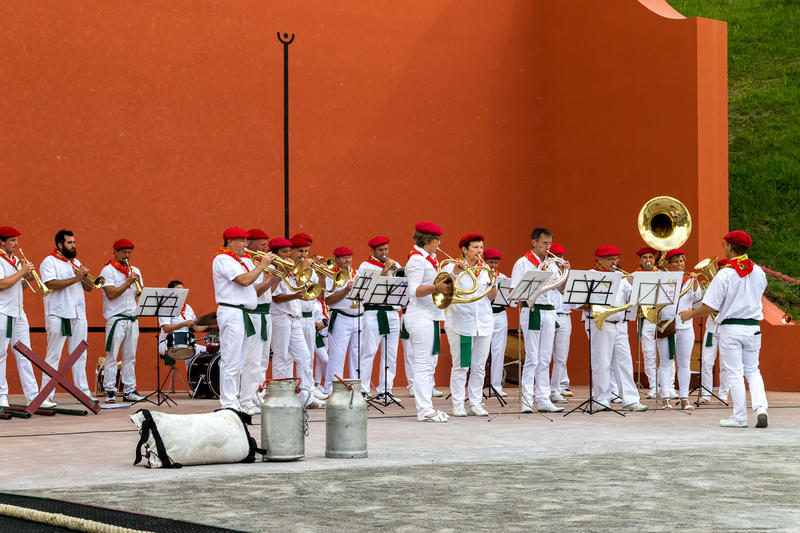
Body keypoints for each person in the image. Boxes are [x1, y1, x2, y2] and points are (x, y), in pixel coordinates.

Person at [680, 231, 768, 428]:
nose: (723, 247)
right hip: (753, 327)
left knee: (734, 372)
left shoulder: (726, 274)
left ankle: (739, 417)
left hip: (731, 328)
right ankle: (761, 408)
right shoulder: (759, 272)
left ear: (730, 246)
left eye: (724, 244)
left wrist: (690, 314)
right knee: (753, 370)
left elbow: (710, 306)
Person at [212, 227, 274, 413]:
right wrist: (262, 265)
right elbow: (244, 281)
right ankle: (228, 402)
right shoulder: (223, 258)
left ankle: (238, 399)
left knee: (241, 361)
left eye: (246, 241)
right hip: (231, 312)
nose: (245, 245)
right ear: (229, 242)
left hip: (245, 313)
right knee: (231, 360)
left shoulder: (242, 261)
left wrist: (271, 278)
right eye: (241, 241)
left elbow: (252, 290)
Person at [585, 245, 647, 412]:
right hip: (600, 324)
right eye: (610, 259)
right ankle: (602, 399)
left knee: (624, 362)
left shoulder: (621, 276)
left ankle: (631, 399)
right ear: (599, 260)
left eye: (616, 259)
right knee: (602, 363)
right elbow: (579, 303)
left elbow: (631, 297)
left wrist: (638, 291)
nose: (614, 262)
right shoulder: (591, 275)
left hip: (620, 324)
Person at [510, 227, 564, 413]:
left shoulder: (551, 263)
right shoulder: (522, 263)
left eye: (549, 244)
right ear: (534, 242)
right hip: (532, 310)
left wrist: (565, 271)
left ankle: (543, 399)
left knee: (545, 358)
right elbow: (515, 293)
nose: (547, 248)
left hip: (550, 312)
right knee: (532, 358)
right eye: (544, 244)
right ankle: (526, 399)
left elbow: (561, 289)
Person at [40, 229, 96, 404]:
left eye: (74, 242)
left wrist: (85, 277)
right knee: (53, 356)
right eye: (70, 243)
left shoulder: (76, 262)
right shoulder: (49, 262)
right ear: (59, 244)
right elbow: (50, 284)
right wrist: (75, 278)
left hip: (78, 314)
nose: (73, 245)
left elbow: (89, 288)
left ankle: (83, 393)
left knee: (80, 355)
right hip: (58, 313)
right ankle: (45, 396)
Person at [442, 234, 496, 417]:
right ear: (464, 249)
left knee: (480, 366)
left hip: (484, 322)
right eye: (475, 247)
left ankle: (475, 402)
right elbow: (443, 289)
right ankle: (458, 404)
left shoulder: (486, 268)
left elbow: (492, 297)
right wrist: (456, 272)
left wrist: (494, 281)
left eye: (481, 247)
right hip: (461, 323)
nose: (480, 251)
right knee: (461, 365)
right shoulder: (451, 266)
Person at [404, 222, 451, 422]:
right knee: (422, 365)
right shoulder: (416, 260)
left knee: (429, 365)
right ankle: (424, 410)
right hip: (420, 315)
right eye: (437, 240)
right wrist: (436, 288)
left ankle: (427, 407)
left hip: (430, 316)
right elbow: (413, 290)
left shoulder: (429, 259)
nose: (439, 244)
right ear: (428, 241)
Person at [269, 237, 322, 408]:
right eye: (284, 252)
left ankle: (305, 395)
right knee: (281, 357)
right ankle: (280, 396)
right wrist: (296, 295)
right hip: (280, 317)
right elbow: (276, 297)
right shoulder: (272, 268)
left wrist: (300, 274)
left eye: (288, 251)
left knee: (304, 356)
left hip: (295, 317)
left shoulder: (290, 268)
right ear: (275, 253)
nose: (288, 254)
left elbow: (300, 286)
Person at [0, 226, 41, 408]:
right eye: (12, 240)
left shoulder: (15, 260)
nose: (17, 244)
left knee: (26, 354)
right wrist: (21, 273)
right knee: (1, 355)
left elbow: (19, 286)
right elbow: (2, 284)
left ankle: (33, 396)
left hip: (19, 312)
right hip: (3, 311)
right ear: (2, 242)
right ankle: (1, 396)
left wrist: (28, 278)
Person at [358, 236, 403, 403]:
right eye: (381, 250)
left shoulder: (395, 265)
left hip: (392, 312)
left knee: (391, 354)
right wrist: (384, 270)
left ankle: (385, 390)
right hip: (373, 312)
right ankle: (362, 390)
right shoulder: (365, 266)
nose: (384, 253)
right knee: (369, 351)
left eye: (386, 249)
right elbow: (366, 291)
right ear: (373, 251)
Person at [99, 239, 145, 403]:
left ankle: (129, 390)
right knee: (111, 356)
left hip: (132, 318)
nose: (127, 255)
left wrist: (137, 284)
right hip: (116, 319)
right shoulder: (107, 271)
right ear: (115, 253)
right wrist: (128, 282)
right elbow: (111, 294)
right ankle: (110, 391)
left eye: (129, 252)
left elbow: (140, 295)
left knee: (130, 356)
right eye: (124, 252)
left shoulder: (135, 270)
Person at [656, 249, 701, 410]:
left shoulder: (689, 280)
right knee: (666, 362)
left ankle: (684, 397)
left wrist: (695, 282)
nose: (679, 264)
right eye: (676, 262)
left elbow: (697, 298)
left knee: (684, 363)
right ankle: (666, 396)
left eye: (681, 261)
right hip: (667, 324)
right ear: (669, 265)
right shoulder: (664, 279)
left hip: (685, 325)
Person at [324, 247, 372, 396]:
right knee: (337, 356)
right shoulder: (331, 275)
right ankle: (332, 389)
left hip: (358, 317)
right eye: (344, 258)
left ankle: (355, 388)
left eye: (349, 257)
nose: (348, 260)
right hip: (341, 318)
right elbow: (328, 300)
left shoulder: (357, 274)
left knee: (357, 356)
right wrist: (345, 291)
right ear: (337, 259)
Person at [289, 233, 327, 401]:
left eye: (306, 251)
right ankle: (295, 391)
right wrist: (305, 265)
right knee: (292, 358)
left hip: (309, 317)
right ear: (290, 251)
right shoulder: (292, 267)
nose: (304, 254)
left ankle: (308, 390)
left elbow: (322, 293)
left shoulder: (309, 268)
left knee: (308, 357)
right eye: (300, 251)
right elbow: (296, 285)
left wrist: (322, 276)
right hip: (295, 317)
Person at [246, 228, 281, 403]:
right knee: (252, 358)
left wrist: (278, 276)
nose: (265, 248)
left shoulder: (262, 262)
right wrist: (268, 276)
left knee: (263, 359)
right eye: (261, 244)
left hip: (266, 314)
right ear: (250, 244)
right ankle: (249, 395)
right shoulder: (250, 264)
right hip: (254, 314)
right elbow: (255, 293)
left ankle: (258, 394)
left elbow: (270, 292)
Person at [698, 258, 731, 404]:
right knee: (706, 361)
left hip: (726, 328)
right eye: (720, 270)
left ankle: (723, 394)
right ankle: (706, 394)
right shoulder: (712, 286)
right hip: (711, 328)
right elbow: (703, 304)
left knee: (725, 364)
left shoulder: (733, 286)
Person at [157, 280, 208, 369]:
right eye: (178, 291)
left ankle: (192, 378)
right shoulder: (165, 306)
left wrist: (212, 322)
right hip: (167, 343)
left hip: (186, 343)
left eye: (183, 291)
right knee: (190, 351)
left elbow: (197, 328)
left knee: (208, 352)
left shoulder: (187, 307)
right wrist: (184, 324)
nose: (181, 293)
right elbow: (166, 328)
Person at [549, 242, 574, 401]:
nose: (559, 260)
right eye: (556, 257)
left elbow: (565, 291)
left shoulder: (565, 273)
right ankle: (543, 390)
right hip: (550, 314)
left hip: (565, 316)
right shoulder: (547, 270)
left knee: (561, 357)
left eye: (561, 257)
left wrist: (567, 273)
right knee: (543, 356)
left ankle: (556, 389)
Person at [634, 246, 661, 399]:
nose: (648, 260)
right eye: (645, 258)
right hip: (645, 319)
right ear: (640, 260)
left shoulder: (661, 275)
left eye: (651, 257)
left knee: (665, 356)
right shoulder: (633, 276)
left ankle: (667, 386)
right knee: (648, 354)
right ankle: (653, 386)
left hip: (661, 318)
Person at [484, 248, 508, 397]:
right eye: (491, 262)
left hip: (500, 314)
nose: (493, 265)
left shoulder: (503, 278)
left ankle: (496, 386)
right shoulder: (481, 276)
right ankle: (478, 385)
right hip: (485, 314)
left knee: (498, 351)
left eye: (496, 262)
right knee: (481, 352)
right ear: (485, 262)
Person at [312, 296, 330, 393]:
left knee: (320, 361)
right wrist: (316, 324)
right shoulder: (312, 300)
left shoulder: (322, 301)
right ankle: (329, 384)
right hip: (316, 333)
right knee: (325, 359)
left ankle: (317, 384)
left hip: (325, 334)